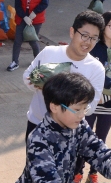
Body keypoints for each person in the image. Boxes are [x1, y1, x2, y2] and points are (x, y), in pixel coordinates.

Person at [23, 10, 105, 142]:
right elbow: (27, 76)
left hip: (70, 132)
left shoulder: (96, 68)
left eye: (94, 38)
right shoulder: (49, 53)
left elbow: (91, 107)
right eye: (84, 35)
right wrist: (40, 84)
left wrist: (71, 101)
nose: (88, 42)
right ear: (72, 32)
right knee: (34, 162)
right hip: (37, 124)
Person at [73, 11, 111, 183]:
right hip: (90, 104)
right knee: (84, 139)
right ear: (103, 28)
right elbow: (89, 75)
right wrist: (97, 97)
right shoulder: (94, 49)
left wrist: (109, 95)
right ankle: (77, 173)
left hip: (109, 106)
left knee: (100, 141)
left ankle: (93, 174)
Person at [7, 0, 49, 71]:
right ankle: (14, 62)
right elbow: (17, 5)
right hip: (22, 19)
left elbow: (45, 2)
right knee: (18, 40)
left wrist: (34, 13)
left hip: (36, 20)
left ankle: (38, 62)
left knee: (32, 40)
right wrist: (25, 16)